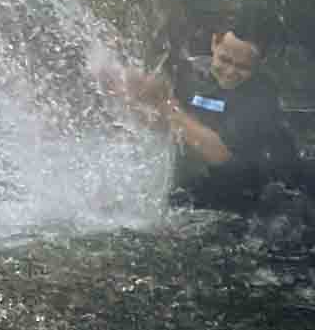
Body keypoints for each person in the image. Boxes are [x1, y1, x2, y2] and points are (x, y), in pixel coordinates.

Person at [106, 17, 299, 211]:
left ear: (260, 62)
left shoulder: (262, 96)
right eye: (224, 60)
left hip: (242, 196)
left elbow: (221, 155)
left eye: (242, 67)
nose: (230, 72)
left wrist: (166, 106)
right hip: (192, 186)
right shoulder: (189, 72)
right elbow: (156, 122)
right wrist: (126, 89)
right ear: (214, 42)